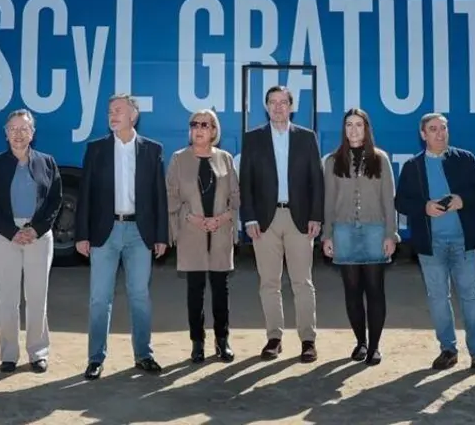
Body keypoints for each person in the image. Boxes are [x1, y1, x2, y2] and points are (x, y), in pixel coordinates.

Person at [75, 93, 168, 380]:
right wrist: (82, 234)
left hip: (140, 233)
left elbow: (159, 197)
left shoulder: (152, 150)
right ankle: (95, 358)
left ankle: (144, 355)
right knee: (99, 298)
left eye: (118, 111)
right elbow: (86, 194)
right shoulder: (96, 149)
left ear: (133, 116)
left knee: (140, 296)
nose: (112, 115)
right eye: (109, 111)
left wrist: (161, 235)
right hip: (105, 232)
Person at [395, 112, 475, 375]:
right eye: (433, 129)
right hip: (431, 245)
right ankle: (448, 350)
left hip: (464, 242)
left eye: (443, 128)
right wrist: (424, 207)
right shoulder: (413, 167)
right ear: (423, 134)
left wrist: (463, 200)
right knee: (439, 298)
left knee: (470, 298)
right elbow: (400, 202)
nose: (440, 134)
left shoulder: (464, 158)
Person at [239, 84, 324, 362]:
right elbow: (246, 182)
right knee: (269, 282)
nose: (278, 107)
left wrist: (316, 216)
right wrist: (249, 218)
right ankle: (274, 338)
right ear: (266, 107)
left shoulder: (307, 138)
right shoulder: (252, 138)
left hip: (300, 219)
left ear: (291, 106)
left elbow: (317, 181)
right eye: (272, 102)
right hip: (265, 220)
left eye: (283, 102)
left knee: (303, 282)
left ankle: (308, 340)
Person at [0, 109, 64, 374]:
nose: (18, 134)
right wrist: (11, 231)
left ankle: (38, 353)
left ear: (33, 133)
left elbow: (54, 201)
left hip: (38, 236)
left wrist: (36, 229)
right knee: (8, 297)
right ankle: (8, 354)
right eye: (13, 129)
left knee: (37, 295)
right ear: (6, 134)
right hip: (5, 235)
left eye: (24, 129)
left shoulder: (47, 162)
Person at [321, 108, 397, 366]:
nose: (353, 130)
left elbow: (389, 200)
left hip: (375, 230)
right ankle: (360, 342)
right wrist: (327, 235)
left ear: (366, 129)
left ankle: (374, 346)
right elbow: (328, 202)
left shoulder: (380, 158)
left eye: (358, 125)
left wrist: (390, 234)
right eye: (349, 125)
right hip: (343, 232)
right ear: (343, 129)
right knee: (352, 291)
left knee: (375, 290)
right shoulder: (332, 161)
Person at [166, 108, 240, 364]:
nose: (199, 129)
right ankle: (197, 343)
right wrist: (190, 217)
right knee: (194, 291)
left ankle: (223, 341)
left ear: (214, 131)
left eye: (205, 125)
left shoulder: (226, 159)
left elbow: (236, 197)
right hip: (191, 232)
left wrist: (222, 218)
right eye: (195, 124)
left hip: (220, 232)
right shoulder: (178, 159)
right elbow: (171, 196)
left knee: (221, 290)